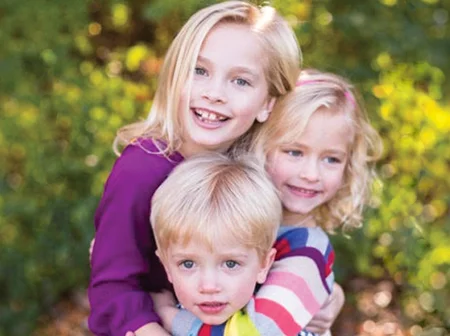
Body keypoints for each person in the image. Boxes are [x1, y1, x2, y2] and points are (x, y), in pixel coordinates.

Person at [88, 1, 301, 335]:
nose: (214, 93)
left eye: (240, 81)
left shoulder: (262, 166)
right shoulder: (141, 171)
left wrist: (326, 292)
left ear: (268, 102)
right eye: (199, 71)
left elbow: (291, 243)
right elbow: (112, 286)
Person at [152, 69, 383, 335]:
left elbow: (255, 332)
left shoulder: (309, 251)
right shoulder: (229, 215)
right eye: (294, 152)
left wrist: (167, 316)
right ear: (260, 144)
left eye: (332, 159)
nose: (311, 174)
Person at [151, 152, 283, 330]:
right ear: (166, 265)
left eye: (230, 263)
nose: (209, 286)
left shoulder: (283, 323)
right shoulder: (152, 326)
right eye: (188, 264)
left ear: (264, 265)